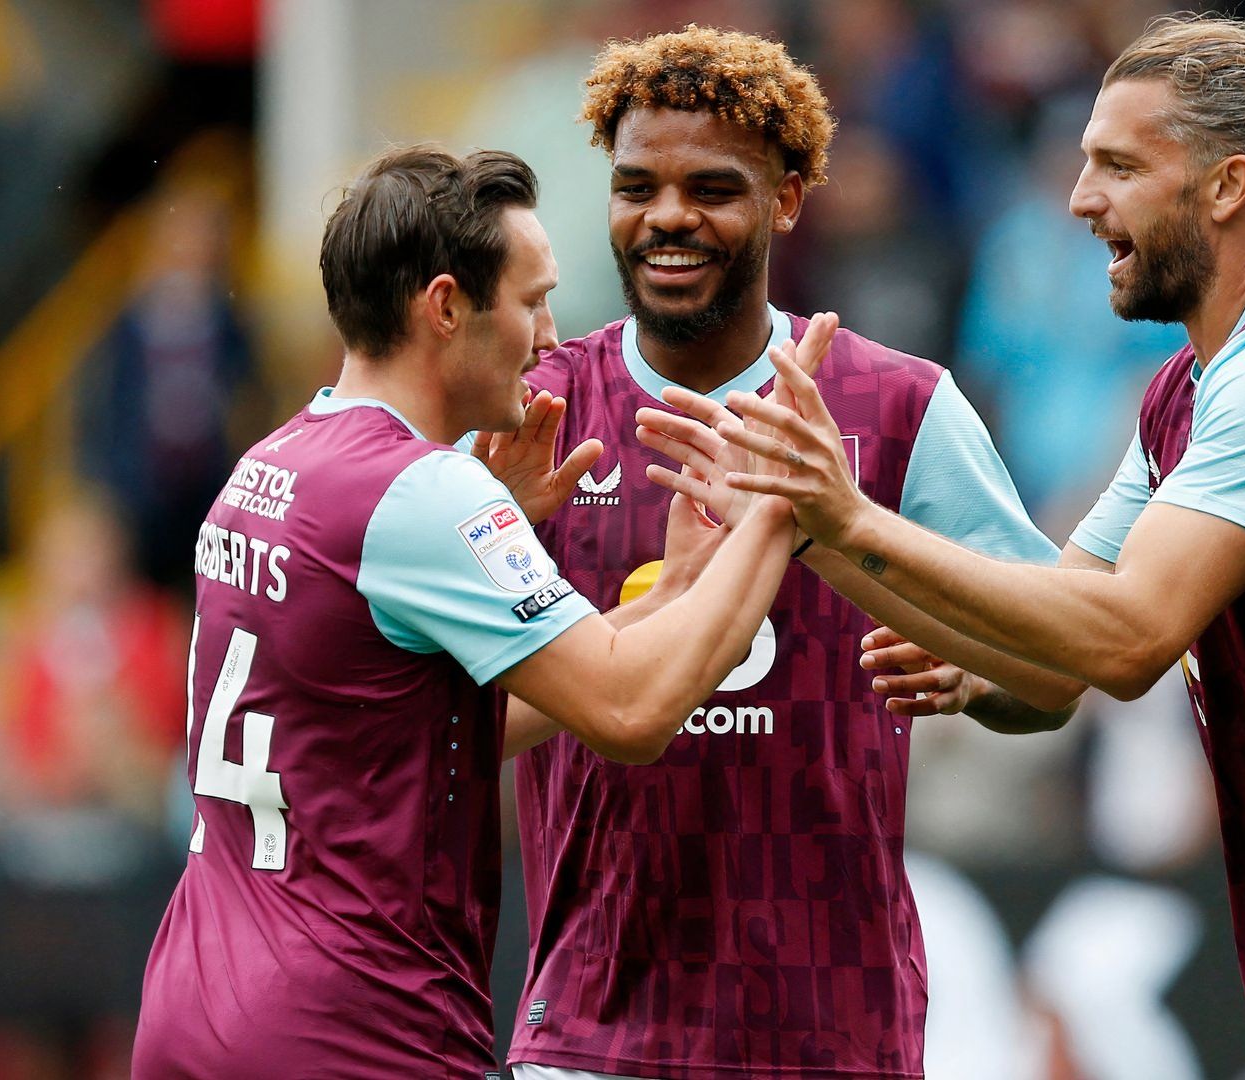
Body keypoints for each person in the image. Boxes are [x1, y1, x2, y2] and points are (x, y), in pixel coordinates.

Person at [648, 15, 1245, 1078]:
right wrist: (818, 542)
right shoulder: (1189, 394)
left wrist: (849, 519)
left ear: (1228, 185)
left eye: (1118, 166)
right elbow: (1054, 663)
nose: (1081, 198)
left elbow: (1130, 638)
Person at [131, 145, 808, 1079]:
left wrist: (682, 592)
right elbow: (632, 713)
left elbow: (419, 735)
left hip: (196, 1006)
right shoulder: (425, 493)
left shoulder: (272, 463)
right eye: (530, 301)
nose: (548, 335)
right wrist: (782, 504)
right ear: (445, 307)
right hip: (349, 1029)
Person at [504, 27, 1081, 1080]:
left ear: (787, 199)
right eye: (638, 186)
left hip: (830, 1038)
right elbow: (437, 715)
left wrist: (973, 674)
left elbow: (1055, 677)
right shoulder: (540, 415)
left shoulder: (901, 409)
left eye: (713, 188)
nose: (668, 216)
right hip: (592, 1035)